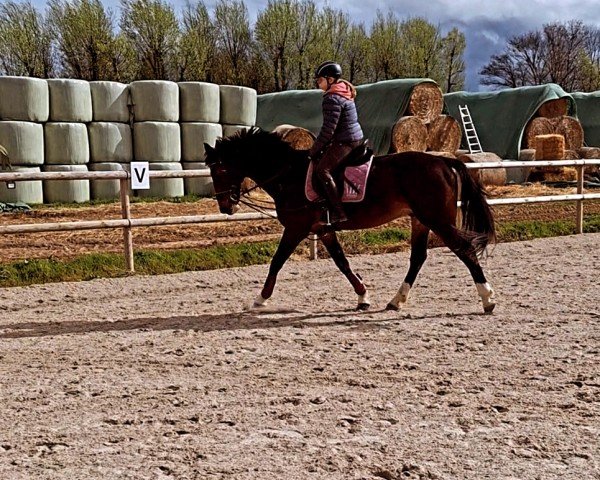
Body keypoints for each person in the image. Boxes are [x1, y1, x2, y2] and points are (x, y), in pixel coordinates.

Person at [309, 60, 364, 226]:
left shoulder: (332, 98)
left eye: (320, 80)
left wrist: (313, 149)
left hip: (345, 141)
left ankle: (339, 212)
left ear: (330, 80)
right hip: (355, 137)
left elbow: (328, 131)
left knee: (322, 170)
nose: (318, 84)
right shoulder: (344, 91)